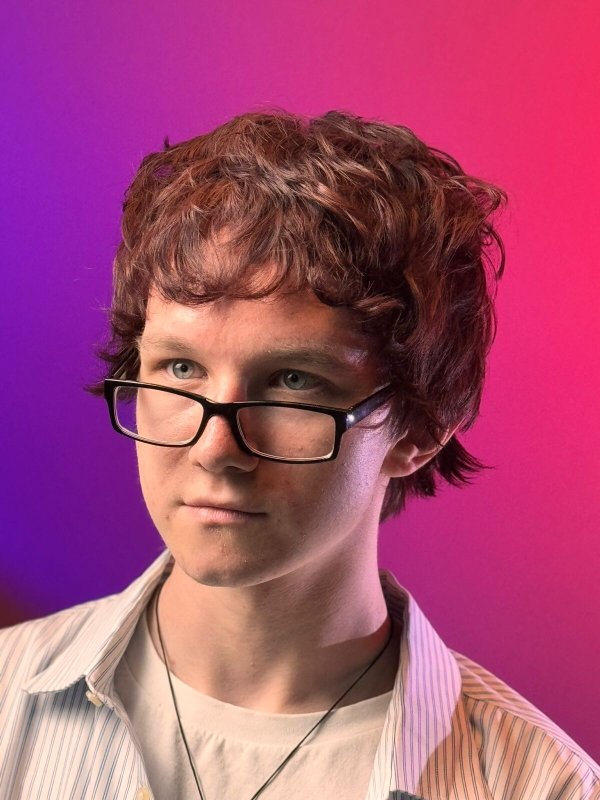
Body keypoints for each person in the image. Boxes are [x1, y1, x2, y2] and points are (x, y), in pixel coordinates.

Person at [0, 110, 597, 800]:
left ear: (419, 428)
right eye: (181, 369)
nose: (216, 448)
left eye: (292, 381)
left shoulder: (545, 788)